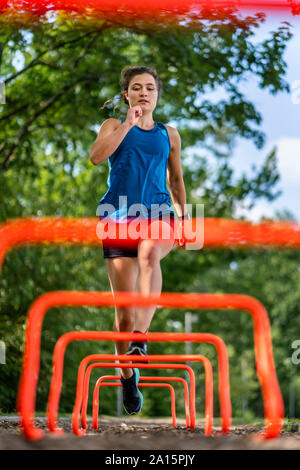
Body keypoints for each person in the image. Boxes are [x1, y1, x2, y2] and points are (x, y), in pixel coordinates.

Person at [90, 65, 190, 415]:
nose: (144, 93)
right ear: (127, 95)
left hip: (159, 214)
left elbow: (176, 180)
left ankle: (140, 342)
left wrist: (186, 216)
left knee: (150, 252)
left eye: (150, 87)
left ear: (157, 94)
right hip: (117, 218)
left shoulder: (169, 134)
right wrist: (129, 124)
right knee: (124, 315)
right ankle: (128, 375)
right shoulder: (113, 126)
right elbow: (96, 157)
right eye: (137, 88)